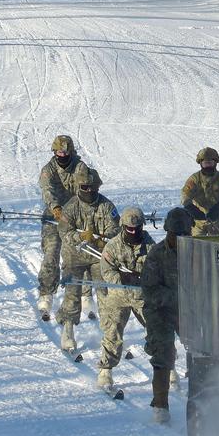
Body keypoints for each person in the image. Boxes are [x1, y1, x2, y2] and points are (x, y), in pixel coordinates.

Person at [55, 167, 120, 353]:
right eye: (85, 187)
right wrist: (81, 237)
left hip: (98, 256)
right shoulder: (70, 207)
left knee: (106, 292)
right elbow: (64, 232)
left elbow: (115, 230)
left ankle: (110, 332)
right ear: (78, 186)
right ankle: (68, 329)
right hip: (74, 255)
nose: (89, 190)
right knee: (72, 292)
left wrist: (100, 239)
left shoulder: (107, 206)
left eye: (92, 187)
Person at [141, 207, 194, 424]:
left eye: (184, 234)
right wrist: (177, 296)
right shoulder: (156, 254)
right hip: (159, 310)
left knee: (203, 348)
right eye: (176, 235)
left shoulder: (197, 252)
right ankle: (161, 405)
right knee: (163, 354)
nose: (180, 239)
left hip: (189, 310)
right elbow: (149, 289)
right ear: (168, 233)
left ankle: (204, 396)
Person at [95, 207, 155, 390]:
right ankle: (106, 369)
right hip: (118, 295)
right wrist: (122, 278)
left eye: (137, 228)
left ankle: (166, 367)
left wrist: (146, 278)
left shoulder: (151, 246)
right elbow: (106, 270)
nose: (133, 231)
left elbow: (158, 270)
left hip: (141, 296)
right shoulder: (112, 246)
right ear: (122, 226)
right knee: (112, 330)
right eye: (129, 228)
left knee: (157, 329)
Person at [37, 135, 91, 321]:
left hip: (76, 218)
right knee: (51, 253)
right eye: (59, 152)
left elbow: (86, 187)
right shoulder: (48, 170)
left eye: (66, 152)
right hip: (54, 217)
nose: (63, 155)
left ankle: (85, 293)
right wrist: (56, 208)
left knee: (80, 255)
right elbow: (47, 190)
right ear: (54, 152)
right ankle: (46, 293)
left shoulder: (80, 167)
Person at [180, 147, 219, 235]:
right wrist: (191, 208)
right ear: (201, 164)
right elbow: (185, 195)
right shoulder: (194, 179)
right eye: (205, 163)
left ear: (215, 163)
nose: (208, 166)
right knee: (196, 245)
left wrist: (218, 208)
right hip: (198, 221)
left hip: (218, 220)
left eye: (210, 163)